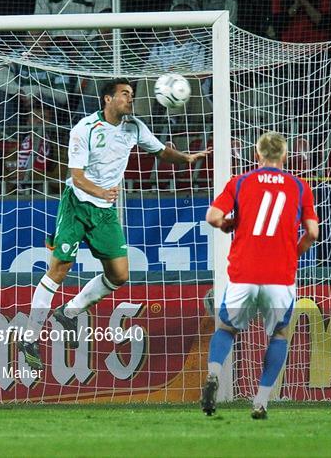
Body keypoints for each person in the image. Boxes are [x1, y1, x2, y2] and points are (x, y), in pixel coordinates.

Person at [18, 78, 211, 370]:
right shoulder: (85, 129)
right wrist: (100, 192)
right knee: (59, 268)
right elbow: (77, 176)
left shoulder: (134, 127)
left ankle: (69, 312)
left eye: (132, 95)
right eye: (124, 94)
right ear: (108, 99)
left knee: (119, 275)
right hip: (77, 205)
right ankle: (30, 338)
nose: (130, 99)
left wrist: (185, 158)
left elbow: (160, 151)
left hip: (105, 211)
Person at [200, 131, 319, 419]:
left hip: (244, 273)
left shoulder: (240, 182)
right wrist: (294, 252)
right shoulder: (299, 185)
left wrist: (228, 224)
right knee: (279, 334)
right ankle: (261, 401)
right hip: (280, 276)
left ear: (257, 155)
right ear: (285, 156)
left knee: (227, 329)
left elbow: (212, 216)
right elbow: (313, 232)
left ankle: (214, 374)